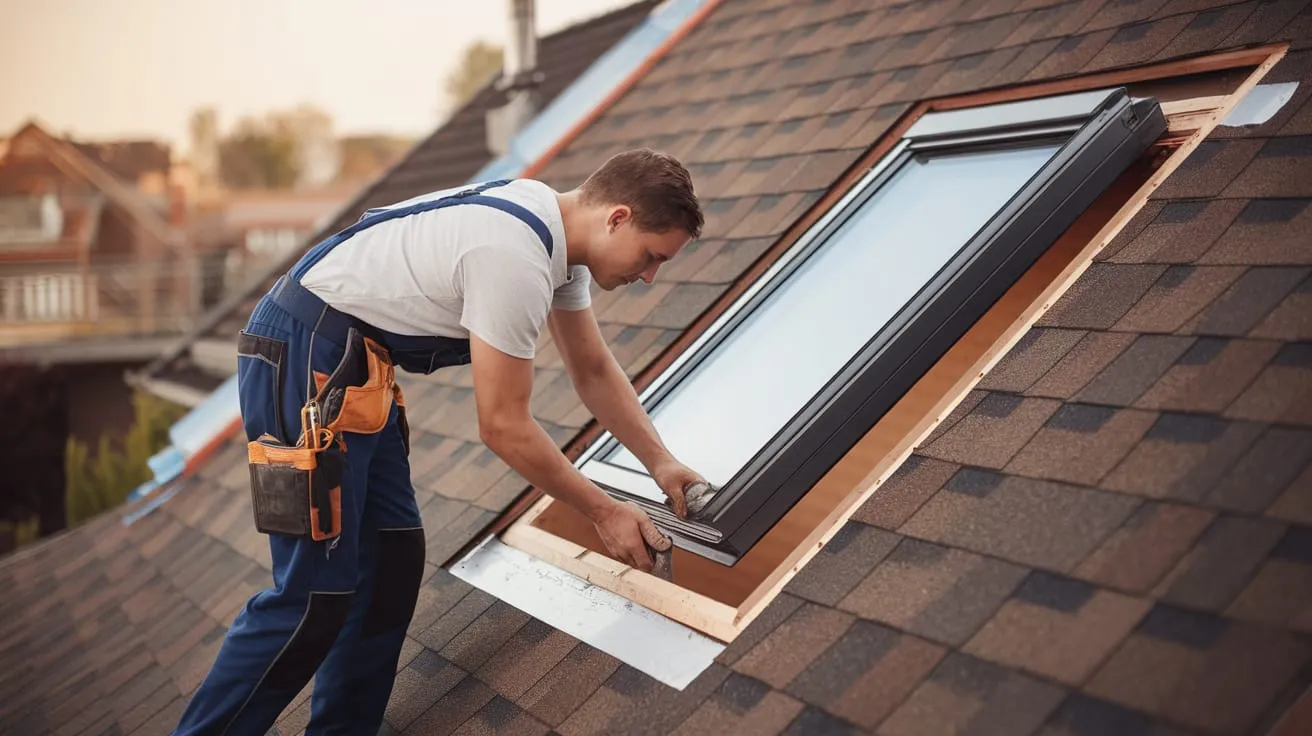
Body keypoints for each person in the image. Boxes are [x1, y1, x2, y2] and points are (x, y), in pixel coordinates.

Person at [173, 149, 708, 735]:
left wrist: (661, 462)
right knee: (312, 597)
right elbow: (502, 425)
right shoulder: (514, 256)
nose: (649, 276)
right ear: (617, 218)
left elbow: (592, 369)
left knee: (389, 565)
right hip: (305, 357)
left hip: (352, 365)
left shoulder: (557, 243)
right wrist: (603, 512)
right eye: (651, 257)